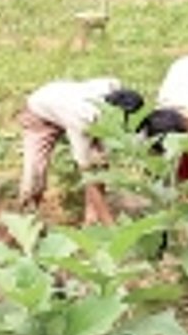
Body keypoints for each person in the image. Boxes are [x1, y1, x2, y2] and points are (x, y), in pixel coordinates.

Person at [18, 77, 143, 225]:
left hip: (65, 104)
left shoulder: (114, 89)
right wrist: (110, 224)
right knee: (34, 177)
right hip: (39, 115)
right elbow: (88, 174)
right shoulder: (82, 120)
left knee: (101, 162)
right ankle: (25, 223)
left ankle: (91, 220)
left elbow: (100, 167)